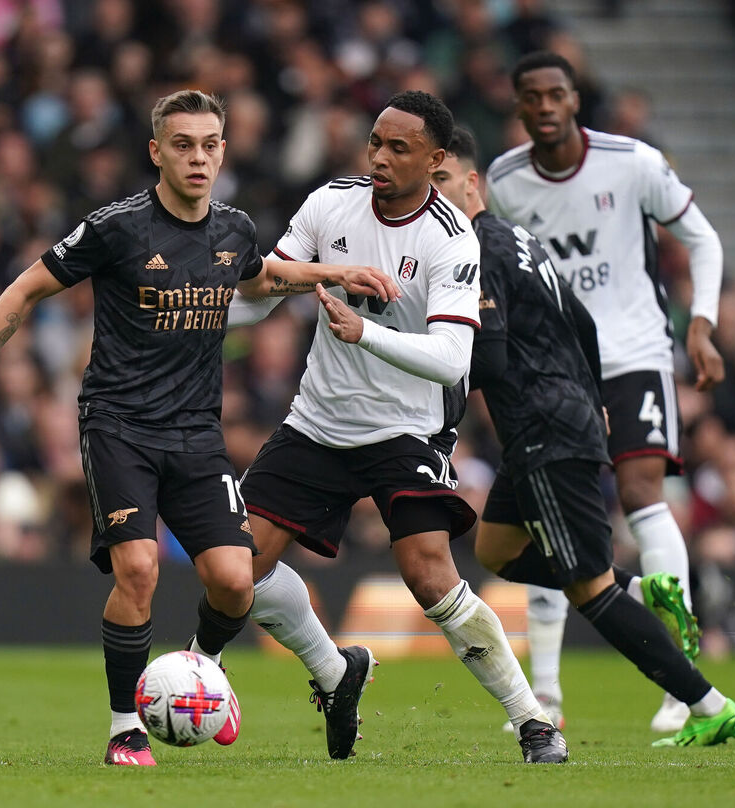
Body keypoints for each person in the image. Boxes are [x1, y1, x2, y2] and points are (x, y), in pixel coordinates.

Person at [0, 90, 399, 767]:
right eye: (184, 145)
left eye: (211, 145)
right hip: (118, 427)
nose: (199, 157)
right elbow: (27, 288)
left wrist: (337, 272)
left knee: (236, 582)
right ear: (157, 151)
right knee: (140, 568)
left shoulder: (233, 229)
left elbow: (260, 278)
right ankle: (126, 729)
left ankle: (201, 676)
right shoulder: (117, 228)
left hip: (196, 434)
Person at [230, 90, 568, 764]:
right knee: (236, 570)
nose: (380, 157)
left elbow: (451, 360)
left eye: (399, 148)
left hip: (407, 427)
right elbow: (266, 287)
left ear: (435, 159)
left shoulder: (452, 237)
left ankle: (534, 720)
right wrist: (219, 310)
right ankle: (335, 670)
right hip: (321, 420)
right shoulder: (332, 202)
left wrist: (364, 335)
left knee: (427, 572)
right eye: (375, 142)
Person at [433, 126, 735, 748]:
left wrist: (435, 402)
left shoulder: (478, 248)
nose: (430, 195)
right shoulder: (523, 240)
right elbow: (581, 321)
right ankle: (642, 586)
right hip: (560, 418)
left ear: (473, 184)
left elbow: (487, 361)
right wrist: (595, 397)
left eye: (441, 181)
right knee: (494, 549)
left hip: (543, 429)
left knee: (588, 589)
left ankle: (706, 702)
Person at [485, 51, 725, 732]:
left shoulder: (633, 162)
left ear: (574, 99)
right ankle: (548, 697)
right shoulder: (504, 182)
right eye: (532, 96)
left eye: (557, 94)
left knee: (643, 493)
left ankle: (680, 688)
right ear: (520, 106)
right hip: (557, 371)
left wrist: (701, 325)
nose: (546, 107)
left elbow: (701, 240)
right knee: (549, 514)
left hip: (637, 353)